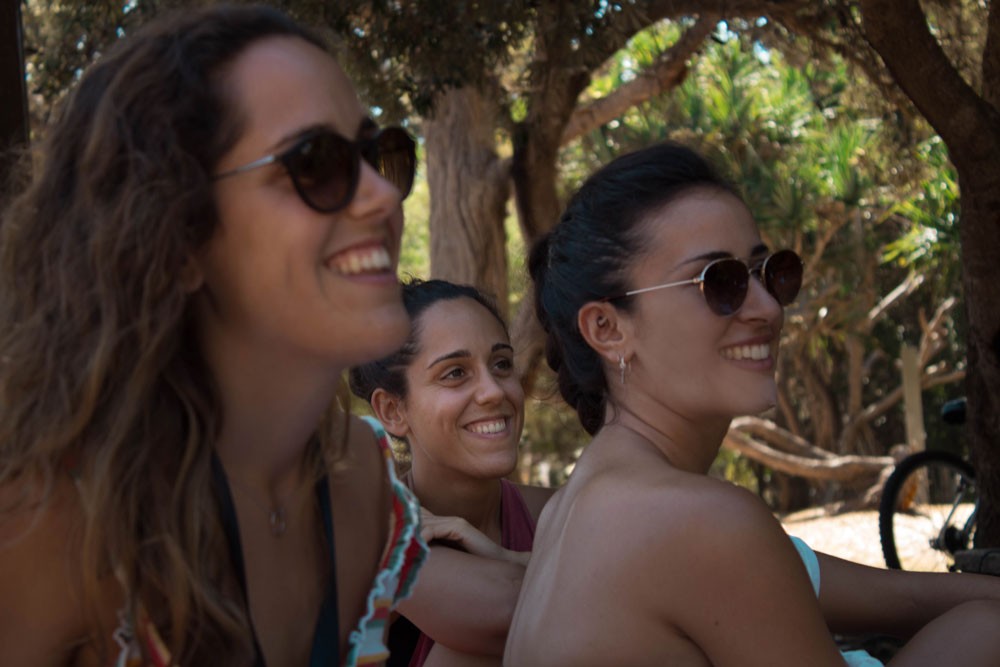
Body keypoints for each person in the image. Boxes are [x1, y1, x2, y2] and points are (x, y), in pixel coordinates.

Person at [0, 5, 428, 666]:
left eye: (379, 155)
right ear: (179, 238)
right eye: (316, 162)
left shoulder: (360, 475)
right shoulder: (54, 518)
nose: (383, 196)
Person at [504, 141, 1000, 666]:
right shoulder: (699, 521)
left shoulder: (574, 508)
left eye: (770, 273)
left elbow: (909, 598)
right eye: (720, 281)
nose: (767, 308)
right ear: (607, 328)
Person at [350, 279, 554, 666]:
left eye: (501, 364)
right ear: (393, 411)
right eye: (455, 373)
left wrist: (504, 555)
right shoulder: (371, 527)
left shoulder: (556, 513)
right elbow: (506, 616)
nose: (494, 391)